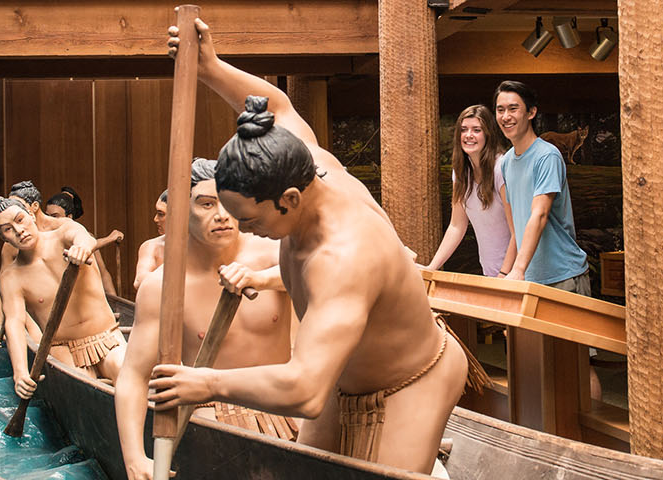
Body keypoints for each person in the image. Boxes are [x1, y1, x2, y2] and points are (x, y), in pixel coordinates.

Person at [149, 20, 481, 474]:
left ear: (289, 200)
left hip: (412, 377)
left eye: (251, 219)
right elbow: (277, 105)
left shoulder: (343, 256)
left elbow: (304, 390)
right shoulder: (302, 158)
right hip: (339, 376)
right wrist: (209, 67)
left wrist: (207, 382)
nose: (242, 230)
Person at [117, 159, 298, 480]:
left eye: (229, 202)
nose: (222, 215)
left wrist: (264, 279)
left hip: (287, 409)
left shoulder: (274, 252)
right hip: (215, 419)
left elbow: (329, 275)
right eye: (206, 204)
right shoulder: (162, 286)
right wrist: (134, 457)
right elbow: (133, 376)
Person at [0, 195, 126, 399]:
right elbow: (14, 324)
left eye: (20, 220)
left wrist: (82, 248)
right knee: (82, 393)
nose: (19, 231)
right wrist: (20, 373)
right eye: (8, 229)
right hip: (63, 349)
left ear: (31, 215)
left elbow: (83, 237)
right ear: (3, 238)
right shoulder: (11, 278)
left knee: (126, 373)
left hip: (106, 337)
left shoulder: (64, 233)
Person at [493, 80, 591, 293]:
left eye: (513, 108)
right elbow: (517, 226)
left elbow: (539, 214)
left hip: (563, 278)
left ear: (531, 113)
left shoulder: (547, 156)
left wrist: (518, 270)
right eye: (500, 110)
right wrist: (505, 272)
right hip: (529, 278)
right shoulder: (507, 162)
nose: (505, 116)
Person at [423, 105, 516, 277]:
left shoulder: (501, 168)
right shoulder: (460, 173)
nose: (469, 135)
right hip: (491, 273)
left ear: (488, 134)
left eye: (477, 130)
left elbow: (517, 230)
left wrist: (504, 275)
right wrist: (431, 268)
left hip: (513, 276)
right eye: (464, 130)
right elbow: (456, 226)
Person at [134, 191, 169, 290]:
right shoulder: (151, 246)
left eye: (161, 214)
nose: (155, 219)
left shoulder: (205, 247)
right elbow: (140, 282)